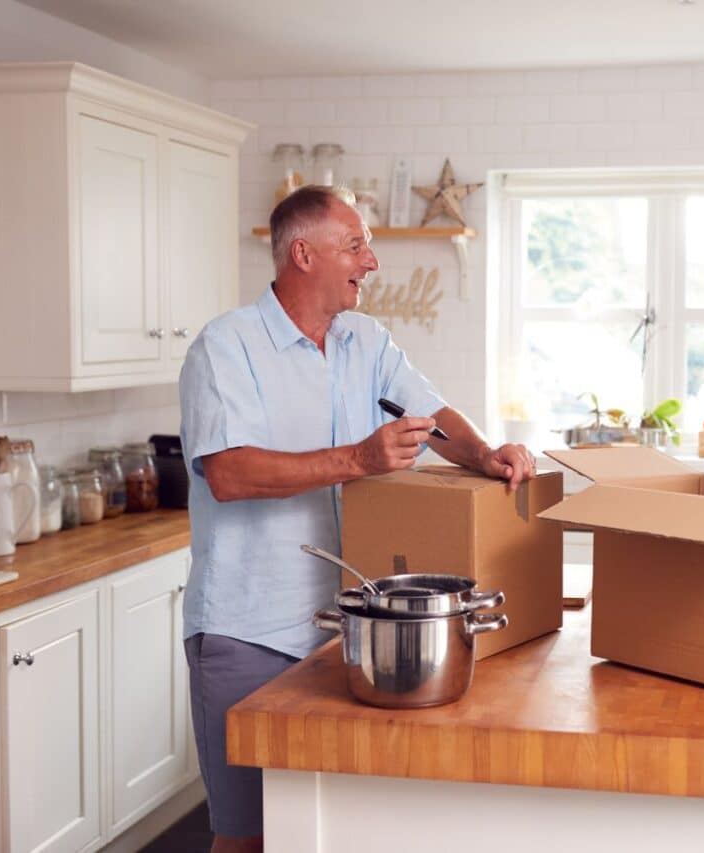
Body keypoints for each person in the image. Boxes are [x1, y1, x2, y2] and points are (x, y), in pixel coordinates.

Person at [179, 185, 537, 853]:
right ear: (303, 253)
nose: (371, 261)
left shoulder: (364, 340)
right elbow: (228, 474)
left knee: (325, 828)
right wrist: (360, 457)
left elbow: (430, 418)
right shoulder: (224, 347)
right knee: (248, 836)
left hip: (341, 634)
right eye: (355, 245)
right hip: (245, 633)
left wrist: (487, 454)